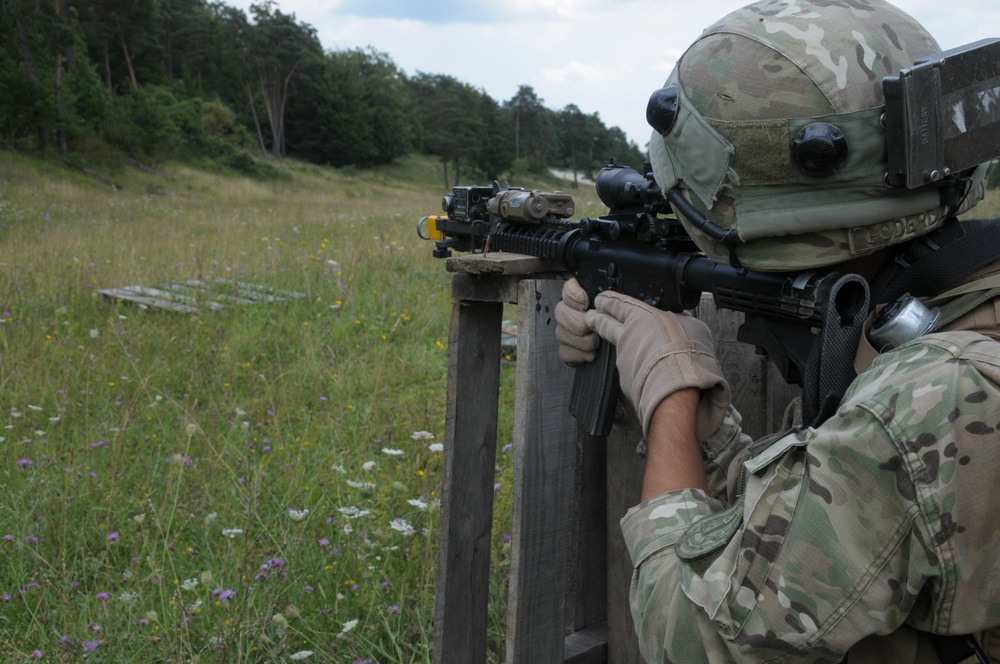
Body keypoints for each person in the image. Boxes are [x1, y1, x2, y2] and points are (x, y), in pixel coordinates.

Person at [555, 1, 1000, 662]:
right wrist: (710, 423)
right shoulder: (957, 325)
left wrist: (669, 398)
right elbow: (822, 536)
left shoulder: (932, 397)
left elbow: (690, 638)